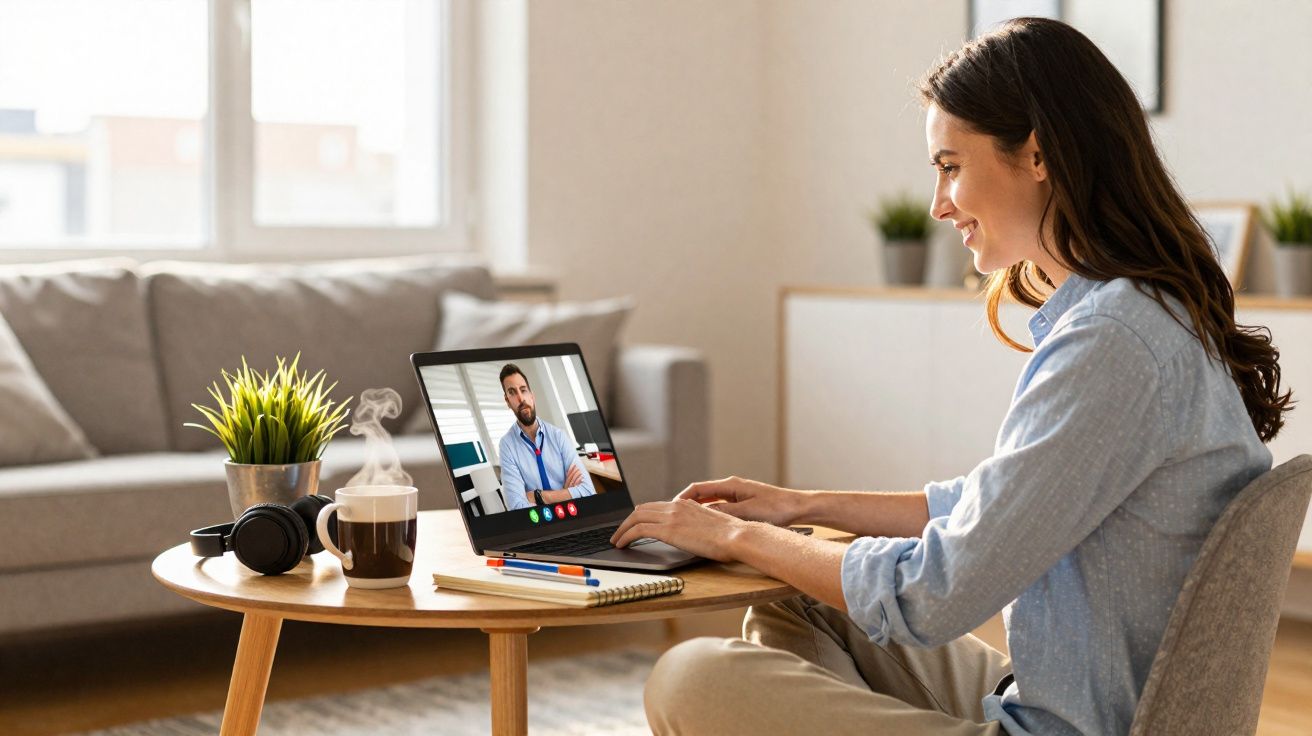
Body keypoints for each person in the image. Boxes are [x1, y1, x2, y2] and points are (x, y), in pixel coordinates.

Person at [612, 17, 1292, 736]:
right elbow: (992, 507)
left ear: (1037, 154)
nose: (939, 204)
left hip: (1065, 725)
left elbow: (933, 593)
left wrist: (733, 537)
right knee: (796, 594)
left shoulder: (1113, 341)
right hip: (1059, 691)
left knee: (690, 677)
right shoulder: (1148, 312)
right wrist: (798, 506)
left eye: (950, 165)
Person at [496, 363, 596, 511]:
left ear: (532, 395)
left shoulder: (559, 436)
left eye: (523, 390)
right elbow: (516, 507)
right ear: (507, 402)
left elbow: (588, 492)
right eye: (512, 392)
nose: (520, 398)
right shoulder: (507, 445)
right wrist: (565, 493)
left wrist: (539, 496)